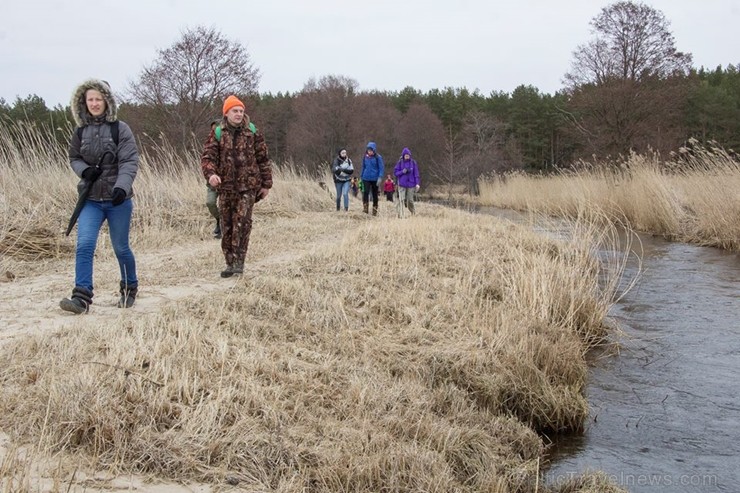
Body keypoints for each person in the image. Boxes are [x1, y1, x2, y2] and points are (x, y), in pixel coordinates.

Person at [60, 79, 140, 314]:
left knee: (121, 248)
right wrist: (84, 171)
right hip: (91, 201)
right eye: (90, 99)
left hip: (118, 201)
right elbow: (73, 157)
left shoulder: (120, 129)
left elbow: (129, 161)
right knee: (84, 245)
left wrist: (121, 187)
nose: (94, 103)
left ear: (107, 100)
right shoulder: (80, 130)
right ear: (84, 102)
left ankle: (129, 288)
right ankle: (81, 298)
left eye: (98, 98)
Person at [201, 95, 272, 278]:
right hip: (225, 188)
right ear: (227, 113)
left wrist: (266, 184)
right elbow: (208, 158)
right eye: (235, 111)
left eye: (241, 111)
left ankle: (239, 262)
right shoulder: (217, 132)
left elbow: (263, 159)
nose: (239, 114)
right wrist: (211, 175)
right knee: (227, 226)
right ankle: (230, 262)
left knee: (242, 223)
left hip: (248, 187)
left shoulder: (252, 131)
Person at [393, 147, 421, 215]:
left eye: (408, 155)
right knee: (401, 200)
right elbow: (395, 173)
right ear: (403, 156)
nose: (407, 157)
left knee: (410, 200)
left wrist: (417, 183)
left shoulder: (413, 163)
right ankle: (400, 215)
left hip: (411, 184)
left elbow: (416, 174)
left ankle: (413, 213)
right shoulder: (400, 163)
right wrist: (402, 171)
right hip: (402, 184)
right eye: (406, 156)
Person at [206, 119, 221, 238]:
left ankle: (222, 228)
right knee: (210, 203)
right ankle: (218, 219)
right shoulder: (209, 143)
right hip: (212, 182)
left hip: (226, 180)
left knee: (225, 205)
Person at [360, 141, 384, 216]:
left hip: (375, 179)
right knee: (365, 192)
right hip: (366, 177)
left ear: (374, 150)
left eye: (371, 150)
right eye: (368, 150)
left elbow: (381, 168)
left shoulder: (378, 158)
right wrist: (361, 176)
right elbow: (363, 167)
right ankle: (365, 208)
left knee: (374, 194)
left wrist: (380, 177)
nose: (369, 152)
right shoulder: (365, 157)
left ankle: (374, 210)